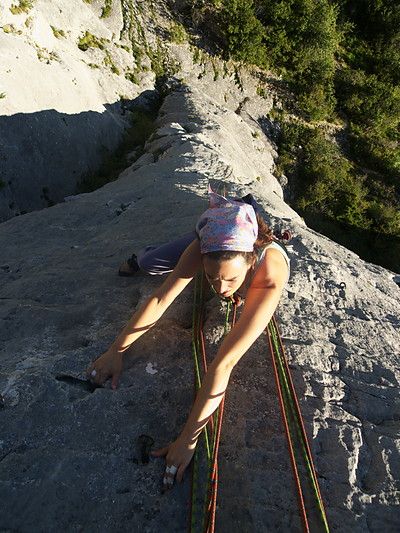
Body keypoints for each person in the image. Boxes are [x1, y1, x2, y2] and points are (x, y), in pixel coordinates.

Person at [86, 188, 290, 490]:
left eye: (231, 280)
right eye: (210, 278)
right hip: (213, 236)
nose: (220, 289)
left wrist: (189, 438)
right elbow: (160, 299)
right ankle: (140, 256)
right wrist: (116, 350)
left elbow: (225, 362)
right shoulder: (202, 249)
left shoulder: (268, 278)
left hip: (240, 246)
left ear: (248, 263)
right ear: (203, 258)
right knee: (153, 263)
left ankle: (242, 207)